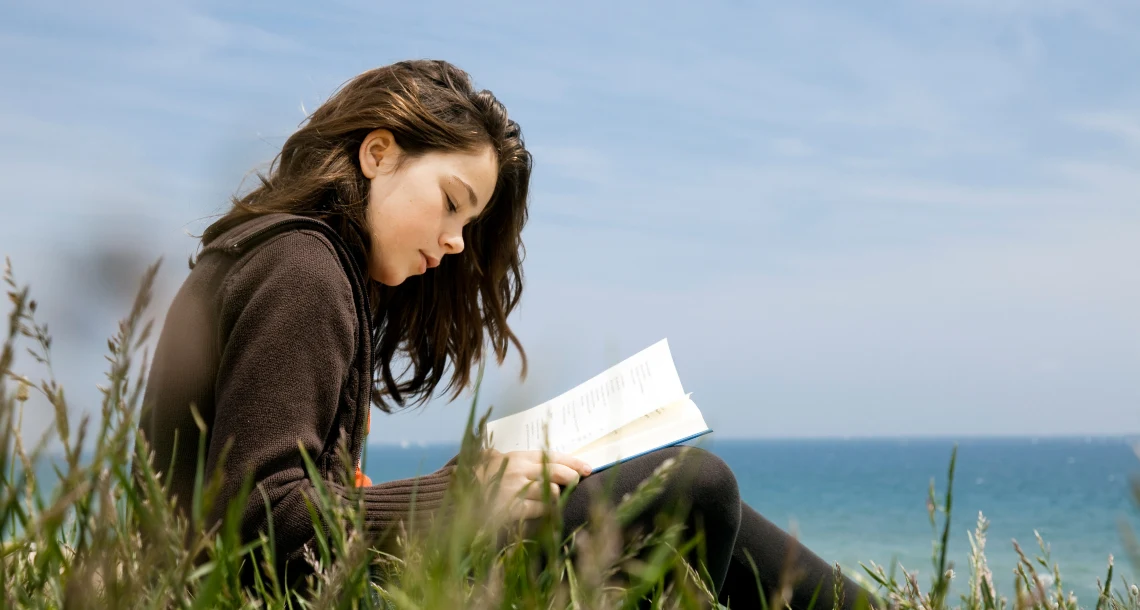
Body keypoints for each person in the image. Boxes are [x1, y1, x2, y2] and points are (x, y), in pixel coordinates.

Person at [137, 59, 877, 608]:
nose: (456, 242)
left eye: (469, 224)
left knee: (684, 489)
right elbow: (260, 520)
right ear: (377, 152)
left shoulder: (287, 259)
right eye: (452, 204)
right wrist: (453, 497)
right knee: (689, 484)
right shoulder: (302, 267)